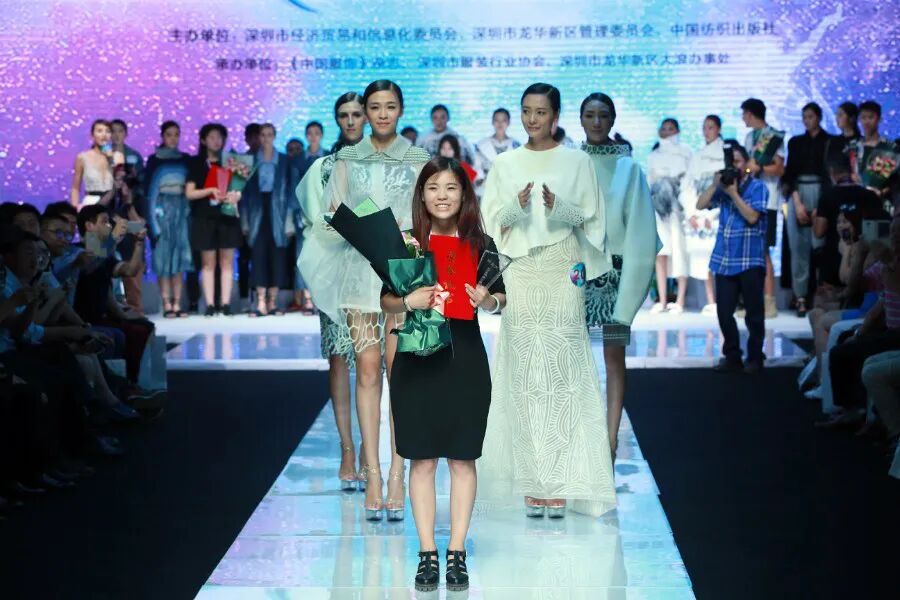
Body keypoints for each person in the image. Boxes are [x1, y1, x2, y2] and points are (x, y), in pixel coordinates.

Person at [478, 83, 615, 518]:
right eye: (526, 111)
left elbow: (595, 222)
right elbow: (489, 224)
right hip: (521, 269)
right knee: (523, 373)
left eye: (540, 112)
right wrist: (516, 209)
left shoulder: (577, 161)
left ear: (555, 116)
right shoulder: (505, 163)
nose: (532, 119)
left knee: (563, 369)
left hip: (563, 268)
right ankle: (531, 480)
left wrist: (561, 209)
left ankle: (561, 478)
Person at [307, 80, 430, 521]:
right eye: (374, 107)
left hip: (402, 276)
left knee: (401, 373)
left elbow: (433, 213)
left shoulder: (418, 159)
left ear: (401, 110)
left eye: (389, 107)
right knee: (367, 368)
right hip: (358, 273)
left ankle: (398, 474)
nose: (381, 114)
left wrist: (410, 237)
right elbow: (329, 217)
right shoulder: (347, 159)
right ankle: (372, 475)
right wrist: (358, 226)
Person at [382, 157, 506, 592]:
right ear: (421, 194)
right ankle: (426, 554)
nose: (442, 195)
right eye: (433, 187)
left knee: (462, 457)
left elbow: (501, 299)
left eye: (451, 187)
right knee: (421, 459)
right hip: (416, 360)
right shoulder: (407, 243)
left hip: (465, 357)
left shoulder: (481, 243)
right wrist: (408, 301)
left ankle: (456, 552)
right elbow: (386, 300)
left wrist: (486, 300)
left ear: (464, 195)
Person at [580, 92, 657, 460]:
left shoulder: (629, 169)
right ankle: (579, 436)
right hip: (575, 275)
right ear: (580, 119)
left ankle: (610, 440)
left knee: (614, 357)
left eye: (603, 115)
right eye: (590, 115)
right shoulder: (571, 163)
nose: (596, 122)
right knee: (573, 358)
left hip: (615, 278)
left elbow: (643, 230)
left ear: (612, 120)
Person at [296, 91, 366, 490]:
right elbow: (316, 222)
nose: (351, 121)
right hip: (335, 274)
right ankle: (347, 449)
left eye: (357, 114)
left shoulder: (382, 164)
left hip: (375, 273)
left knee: (377, 364)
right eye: (344, 115)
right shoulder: (322, 168)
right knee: (340, 359)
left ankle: (372, 451)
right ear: (336, 119)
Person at [697, 140, 769, 374]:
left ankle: (755, 357)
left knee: (754, 314)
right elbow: (700, 204)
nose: (734, 166)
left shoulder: (758, 187)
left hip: (750, 259)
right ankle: (732, 355)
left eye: (737, 161)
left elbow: (752, 217)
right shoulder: (724, 186)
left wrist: (733, 194)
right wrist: (715, 184)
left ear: (747, 163)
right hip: (725, 260)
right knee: (723, 312)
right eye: (730, 162)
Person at [184, 123, 243, 316]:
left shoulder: (232, 162)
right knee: (208, 263)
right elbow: (189, 193)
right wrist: (210, 190)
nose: (216, 141)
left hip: (227, 216)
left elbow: (240, 189)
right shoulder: (196, 163)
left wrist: (236, 195)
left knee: (227, 262)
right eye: (211, 137)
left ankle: (225, 304)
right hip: (204, 217)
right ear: (203, 140)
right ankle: (209, 304)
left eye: (219, 137)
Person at [783, 102, 830, 316]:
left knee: (821, 248)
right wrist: (797, 202)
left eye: (810, 116)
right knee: (798, 247)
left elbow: (829, 175)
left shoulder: (829, 141)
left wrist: (821, 206)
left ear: (818, 117)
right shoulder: (795, 142)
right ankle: (800, 296)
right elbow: (789, 174)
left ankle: (823, 296)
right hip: (798, 194)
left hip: (821, 192)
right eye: (804, 117)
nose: (807, 120)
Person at [241, 123, 292, 317]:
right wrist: (244, 221)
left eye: (269, 134)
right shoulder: (249, 161)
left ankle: (273, 301)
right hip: (256, 210)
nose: (266, 138)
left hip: (279, 210)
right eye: (263, 135)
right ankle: (260, 301)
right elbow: (243, 194)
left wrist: (289, 221)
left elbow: (292, 192)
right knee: (258, 254)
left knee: (278, 255)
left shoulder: (285, 160)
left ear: (274, 136)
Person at [742, 98, 785, 318]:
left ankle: (769, 302)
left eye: (744, 114)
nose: (743, 118)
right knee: (750, 252)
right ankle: (752, 302)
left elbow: (779, 169)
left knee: (764, 250)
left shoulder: (774, 136)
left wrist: (758, 167)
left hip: (768, 200)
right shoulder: (749, 138)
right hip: (749, 200)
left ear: (751, 114)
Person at [144, 120, 193, 317]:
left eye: (176, 134)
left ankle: (178, 303)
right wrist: (153, 221)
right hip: (161, 211)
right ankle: (166, 303)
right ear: (162, 136)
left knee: (179, 258)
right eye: (169, 134)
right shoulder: (154, 160)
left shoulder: (186, 159)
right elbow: (149, 191)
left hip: (182, 211)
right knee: (162, 257)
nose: (173, 138)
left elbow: (190, 187)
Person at [681, 115, 725, 315]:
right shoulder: (697, 156)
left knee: (721, 258)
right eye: (704, 127)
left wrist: (711, 215)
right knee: (704, 257)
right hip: (699, 215)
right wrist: (692, 213)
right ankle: (711, 300)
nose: (707, 131)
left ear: (718, 129)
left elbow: (726, 188)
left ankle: (725, 300)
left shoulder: (724, 153)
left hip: (718, 213)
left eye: (711, 127)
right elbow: (687, 186)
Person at [647, 118, 692, 314]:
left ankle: (680, 300)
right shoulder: (653, 156)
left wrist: (688, 209)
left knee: (680, 251)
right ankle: (662, 300)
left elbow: (689, 183)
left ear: (677, 131)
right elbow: (649, 182)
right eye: (663, 129)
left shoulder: (686, 153)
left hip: (677, 208)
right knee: (661, 253)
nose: (667, 132)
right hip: (657, 209)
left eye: (671, 128)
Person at [474, 108, 521, 198]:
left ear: (508, 122)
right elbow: (476, 168)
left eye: (503, 120)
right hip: (485, 191)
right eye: (497, 120)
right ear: (492, 122)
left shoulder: (517, 146)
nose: (500, 123)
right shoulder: (481, 145)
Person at [70, 119, 117, 208]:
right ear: (92, 135)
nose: (104, 135)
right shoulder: (82, 157)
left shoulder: (117, 156)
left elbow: (120, 179)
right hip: (91, 203)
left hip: (112, 203)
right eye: (99, 131)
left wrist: (110, 158)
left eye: (107, 131)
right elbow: (75, 187)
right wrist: (75, 207)